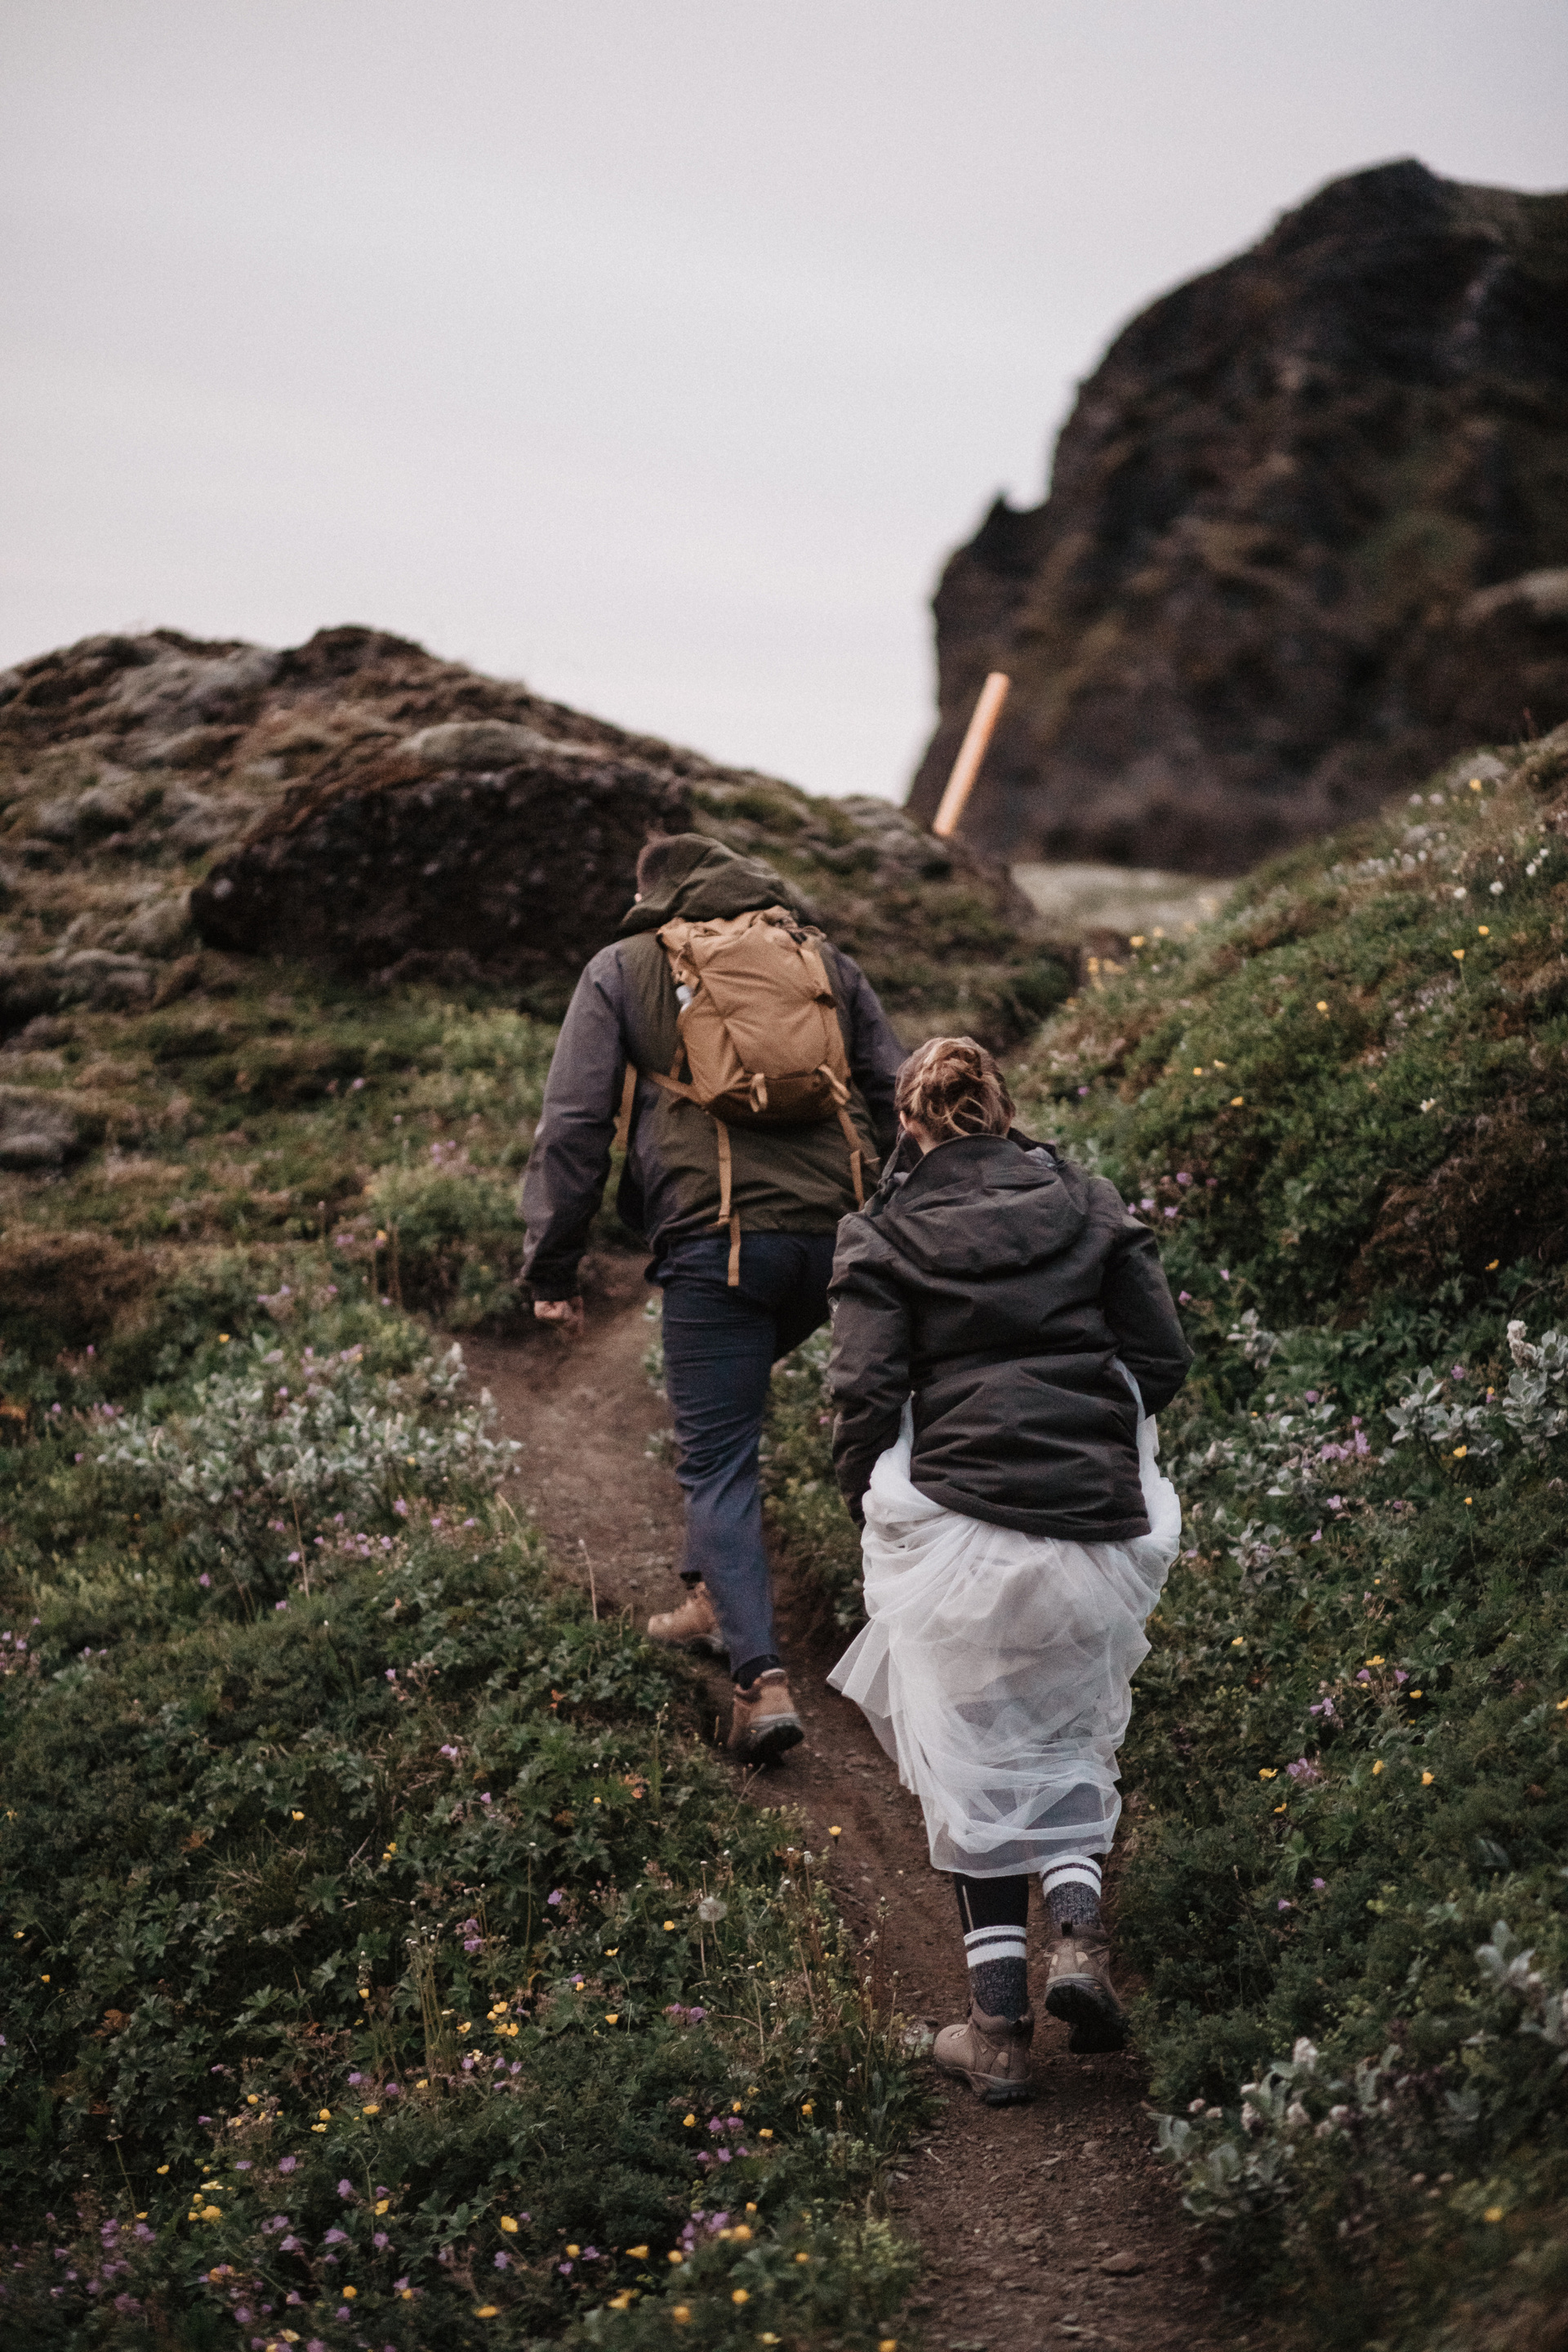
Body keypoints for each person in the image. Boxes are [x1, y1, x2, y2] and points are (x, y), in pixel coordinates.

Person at [825, 1036, 1191, 2101]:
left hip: (957, 1527)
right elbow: (1161, 1358)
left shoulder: (882, 1232)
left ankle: (996, 2034)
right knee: (1065, 1733)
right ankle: (1076, 1939)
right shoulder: (1089, 1202)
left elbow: (863, 1393)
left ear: (909, 1123)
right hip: (1091, 1523)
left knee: (970, 1758)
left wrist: (865, 1500)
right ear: (1001, 1106)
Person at [521, 832, 904, 1763]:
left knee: (719, 1456)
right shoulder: (819, 959)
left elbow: (574, 1124)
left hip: (721, 1244)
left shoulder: (624, 967)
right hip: (841, 1242)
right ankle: (708, 1595)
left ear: (654, 894)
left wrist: (551, 1267)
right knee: (728, 1411)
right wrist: (902, 1228)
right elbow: (897, 1093)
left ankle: (760, 1683)